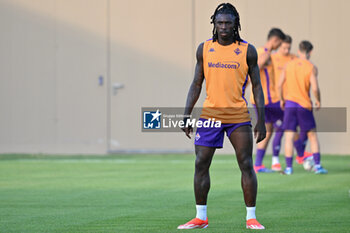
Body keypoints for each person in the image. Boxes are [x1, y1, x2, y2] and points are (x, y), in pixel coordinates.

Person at [178, 3, 266, 230]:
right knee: (200, 164)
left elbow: (257, 87)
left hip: (238, 116)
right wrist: (186, 115)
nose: (224, 27)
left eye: (228, 23)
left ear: (236, 24)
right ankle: (201, 217)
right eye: (219, 23)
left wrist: (262, 120)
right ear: (214, 25)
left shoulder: (248, 50)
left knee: (246, 164)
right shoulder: (204, 49)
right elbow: (196, 83)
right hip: (210, 115)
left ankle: (251, 217)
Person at [278, 40, 328, 175]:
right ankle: (317, 166)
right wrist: (318, 100)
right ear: (310, 52)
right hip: (304, 105)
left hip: (289, 104)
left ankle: (288, 168)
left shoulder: (288, 65)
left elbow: (279, 84)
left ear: (299, 51)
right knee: (312, 135)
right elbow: (315, 88)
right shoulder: (310, 67)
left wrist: (282, 100)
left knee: (288, 136)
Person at [251, 28, 286, 173]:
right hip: (268, 99)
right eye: (279, 44)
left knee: (269, 130)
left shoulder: (258, 51)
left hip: (262, 99)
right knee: (292, 120)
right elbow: (253, 71)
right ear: (275, 40)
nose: (278, 47)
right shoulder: (265, 54)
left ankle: (258, 164)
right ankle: (300, 156)